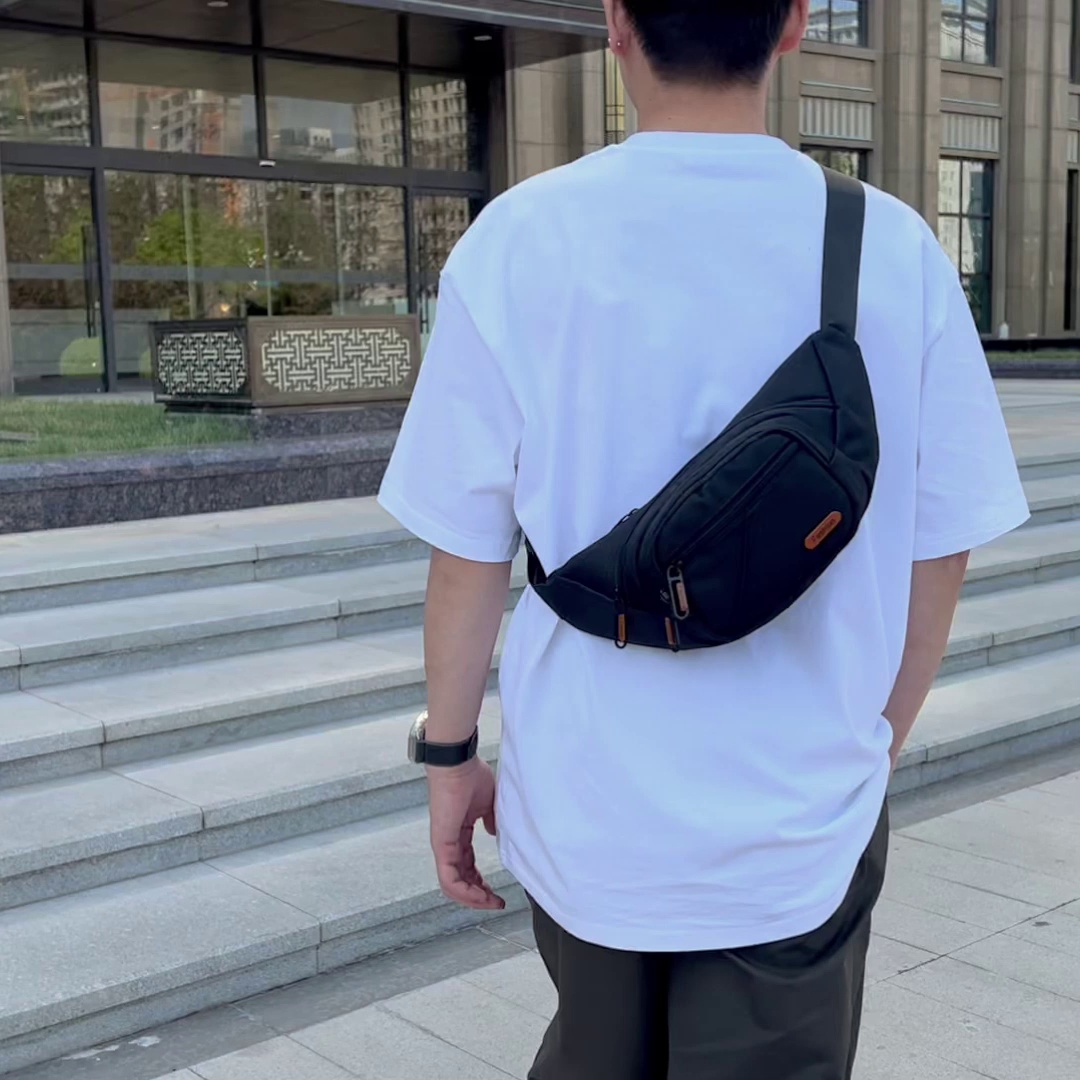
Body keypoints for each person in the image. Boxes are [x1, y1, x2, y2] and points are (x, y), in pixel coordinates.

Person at [377, 0, 1031, 1075]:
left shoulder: (519, 240)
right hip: (798, 820)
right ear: (794, 23)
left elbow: (467, 557)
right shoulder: (893, 249)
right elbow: (940, 546)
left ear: (616, 22)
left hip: (588, 805)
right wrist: (872, 745)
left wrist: (450, 757)